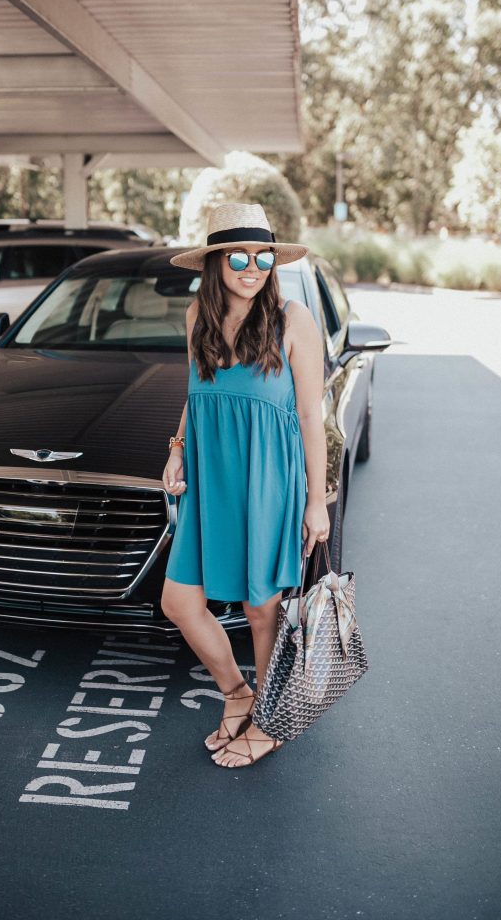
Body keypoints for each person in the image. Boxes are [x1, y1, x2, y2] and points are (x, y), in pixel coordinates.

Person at [160, 202, 330, 768]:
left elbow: (310, 416)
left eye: (262, 256)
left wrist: (316, 501)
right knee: (180, 602)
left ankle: (270, 721)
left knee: (263, 610)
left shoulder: (291, 318)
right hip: (213, 479)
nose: (252, 267)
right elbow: (194, 393)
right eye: (239, 256)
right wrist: (178, 450)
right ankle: (237, 692)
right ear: (216, 262)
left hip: (267, 480)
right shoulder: (196, 318)